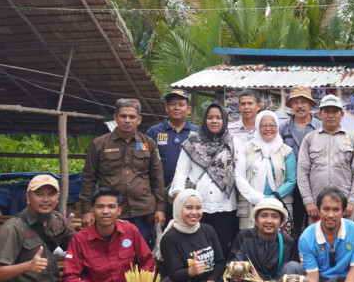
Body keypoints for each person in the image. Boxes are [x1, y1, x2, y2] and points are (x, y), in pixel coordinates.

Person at [80, 98, 166, 246]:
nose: (127, 120)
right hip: (110, 212)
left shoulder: (148, 144)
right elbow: (88, 179)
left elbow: (157, 178)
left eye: (132, 117)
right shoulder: (99, 144)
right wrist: (87, 210)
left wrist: (160, 208)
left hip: (143, 211)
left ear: (139, 120)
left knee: (141, 253)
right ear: (115, 117)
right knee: (112, 253)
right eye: (123, 116)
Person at [169, 103, 238, 257]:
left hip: (225, 204)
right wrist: (178, 196)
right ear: (204, 120)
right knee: (198, 246)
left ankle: (218, 277)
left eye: (219, 118)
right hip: (198, 205)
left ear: (224, 120)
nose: (214, 121)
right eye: (210, 117)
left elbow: (239, 174)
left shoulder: (233, 143)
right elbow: (181, 171)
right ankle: (199, 276)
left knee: (221, 245)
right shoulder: (192, 143)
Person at [227, 197, 302, 282]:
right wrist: (234, 275)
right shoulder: (244, 237)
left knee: (294, 267)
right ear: (256, 220)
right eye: (264, 216)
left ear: (281, 222)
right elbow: (232, 264)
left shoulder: (288, 243)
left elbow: (286, 277)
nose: (268, 220)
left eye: (274, 216)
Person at [158, 190, 226, 282]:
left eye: (198, 208)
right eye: (188, 207)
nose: (194, 212)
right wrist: (190, 272)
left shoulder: (208, 230)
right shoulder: (170, 238)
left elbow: (220, 262)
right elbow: (174, 273)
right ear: (178, 208)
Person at [297, 94, 354, 221]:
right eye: (326, 111)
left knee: (344, 239)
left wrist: (352, 201)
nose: (330, 115)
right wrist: (308, 201)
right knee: (317, 239)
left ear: (342, 115)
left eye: (335, 111)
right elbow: (302, 171)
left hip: (344, 207)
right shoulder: (310, 139)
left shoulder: (352, 139)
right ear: (319, 114)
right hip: (316, 207)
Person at [235, 110, 297, 230]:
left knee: (279, 242)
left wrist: (272, 198)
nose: (268, 129)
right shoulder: (245, 148)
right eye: (263, 125)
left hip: (279, 203)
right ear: (257, 127)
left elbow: (291, 180)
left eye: (272, 125)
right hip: (250, 204)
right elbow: (239, 176)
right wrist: (256, 197)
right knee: (251, 242)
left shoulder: (287, 151)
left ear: (277, 127)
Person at [146, 89, 199, 222]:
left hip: (189, 194)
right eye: (172, 104)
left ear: (188, 109)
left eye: (181, 104)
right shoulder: (153, 132)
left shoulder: (197, 132)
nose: (177, 108)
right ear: (166, 108)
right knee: (165, 233)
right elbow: (145, 164)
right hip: (161, 195)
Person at [279, 86, 322, 236]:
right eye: (295, 102)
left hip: (315, 183)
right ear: (291, 106)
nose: (299, 105)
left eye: (303, 101)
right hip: (290, 184)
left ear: (311, 105)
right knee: (293, 225)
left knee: (315, 225)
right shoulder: (282, 128)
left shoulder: (320, 127)